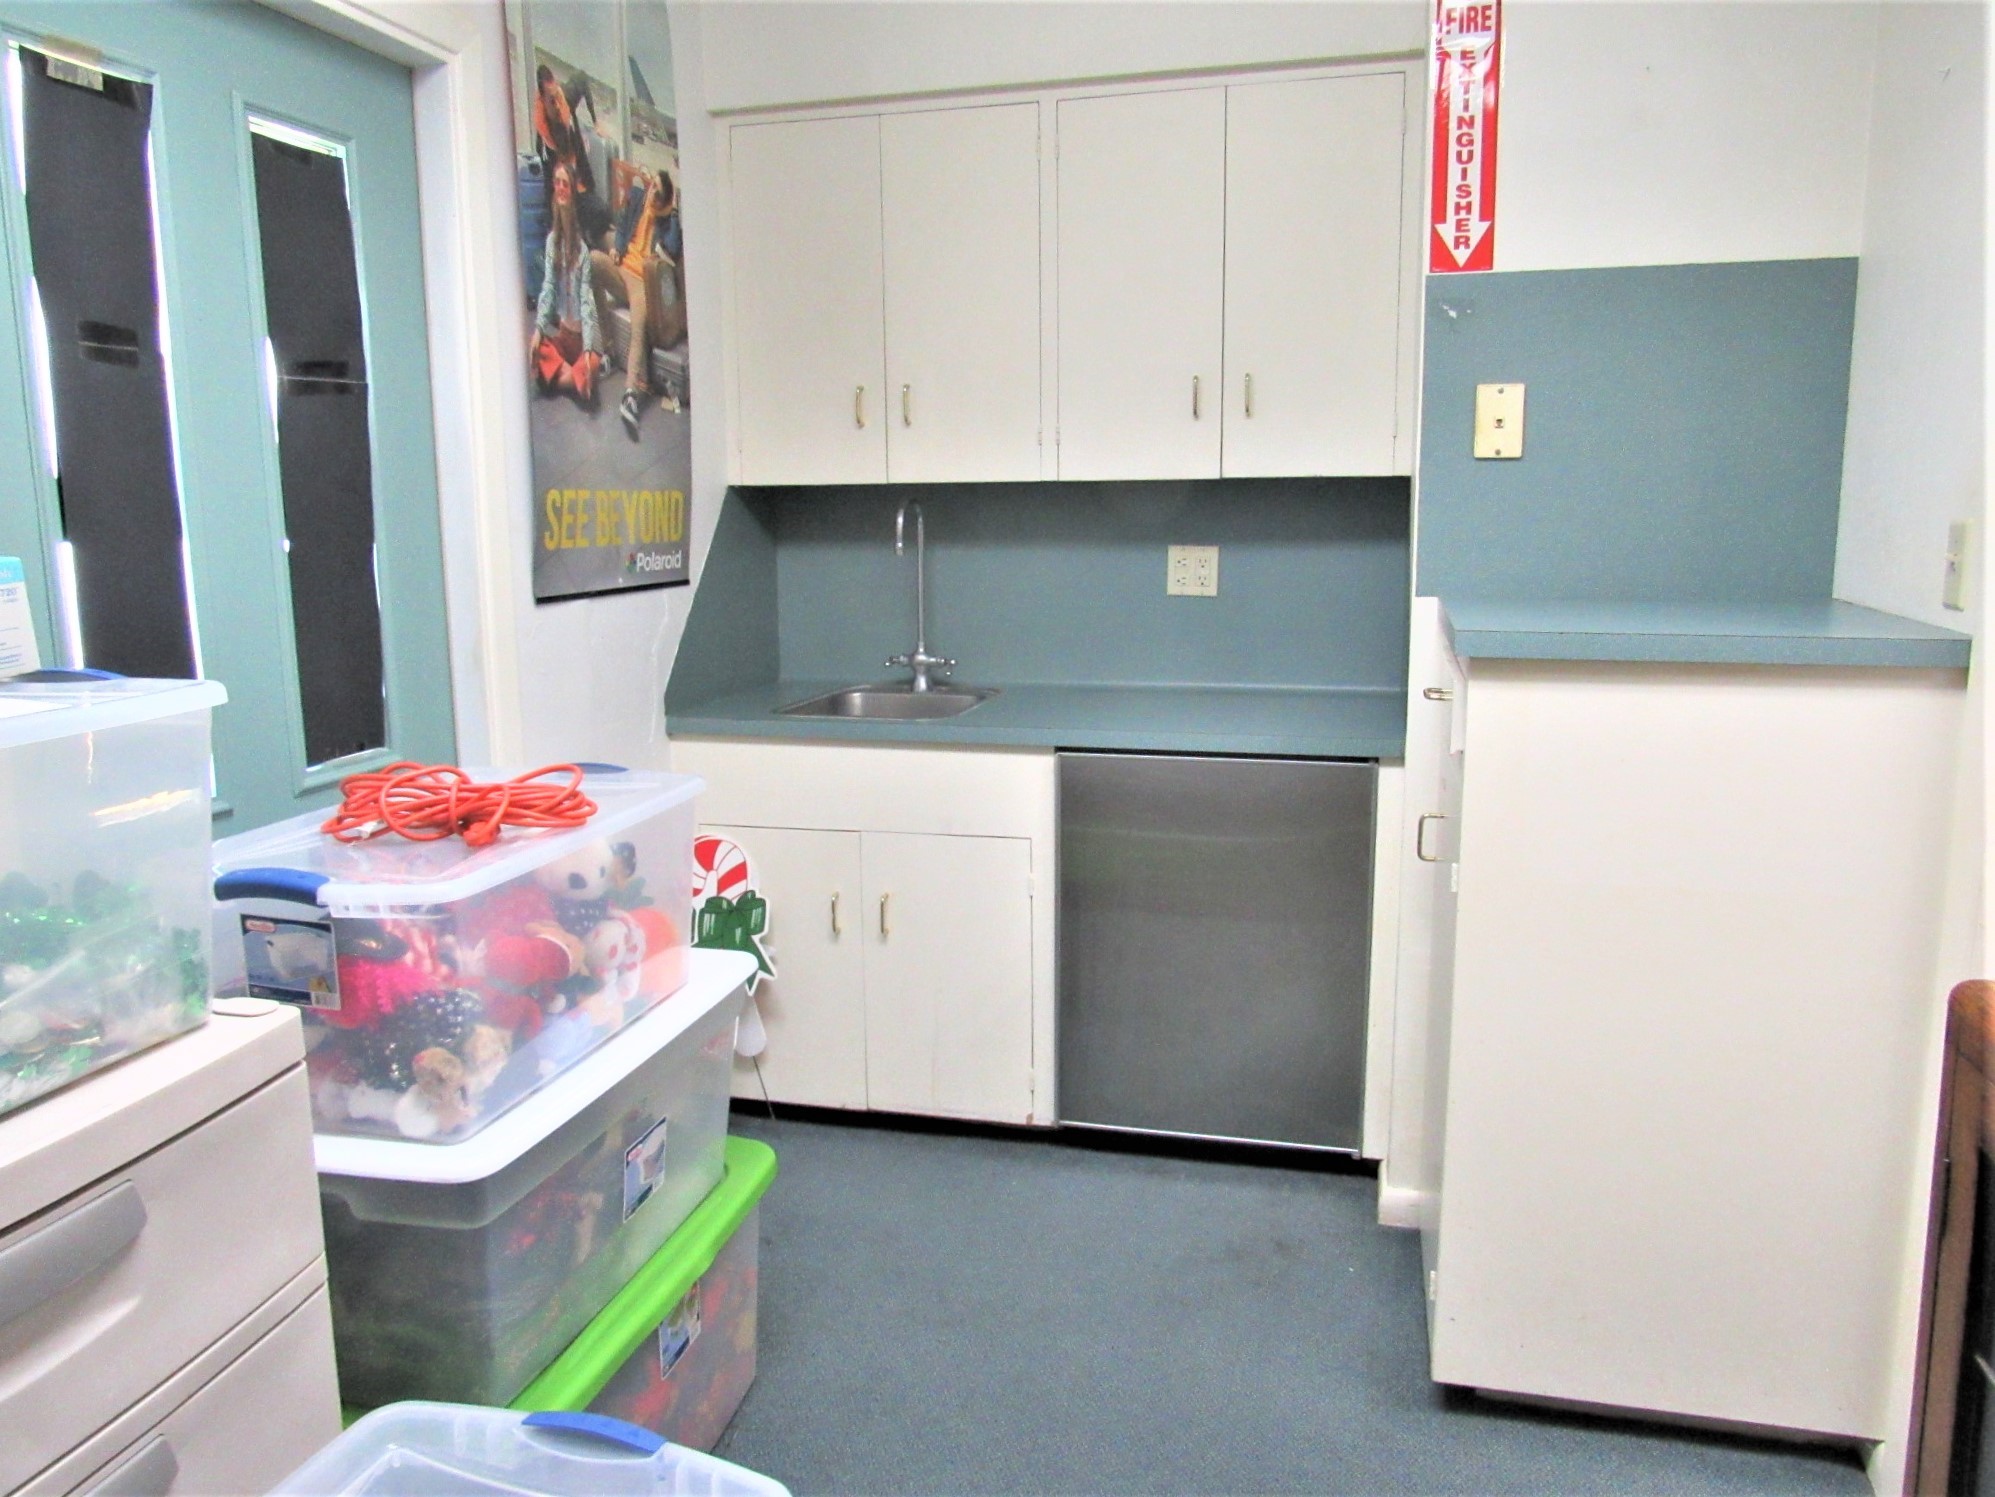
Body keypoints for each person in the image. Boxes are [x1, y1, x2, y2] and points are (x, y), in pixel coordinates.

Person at [589, 167, 686, 440]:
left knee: (638, 328)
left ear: (666, 200)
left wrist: (673, 213)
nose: (652, 194)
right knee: (593, 261)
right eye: (652, 186)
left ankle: (631, 392)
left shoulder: (667, 222)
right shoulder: (637, 196)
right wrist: (616, 247)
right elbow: (622, 227)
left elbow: (672, 250)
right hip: (621, 268)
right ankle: (607, 348)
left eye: (658, 192)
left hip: (641, 282)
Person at [530, 163, 603, 406]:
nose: (560, 188)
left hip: (583, 339)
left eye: (566, 184)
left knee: (591, 365)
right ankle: (575, 381)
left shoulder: (582, 249)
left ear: (572, 191)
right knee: (535, 348)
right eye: (557, 182)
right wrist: (539, 329)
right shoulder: (552, 242)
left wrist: (590, 348)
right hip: (563, 335)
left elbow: (586, 302)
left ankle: (563, 379)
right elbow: (549, 287)